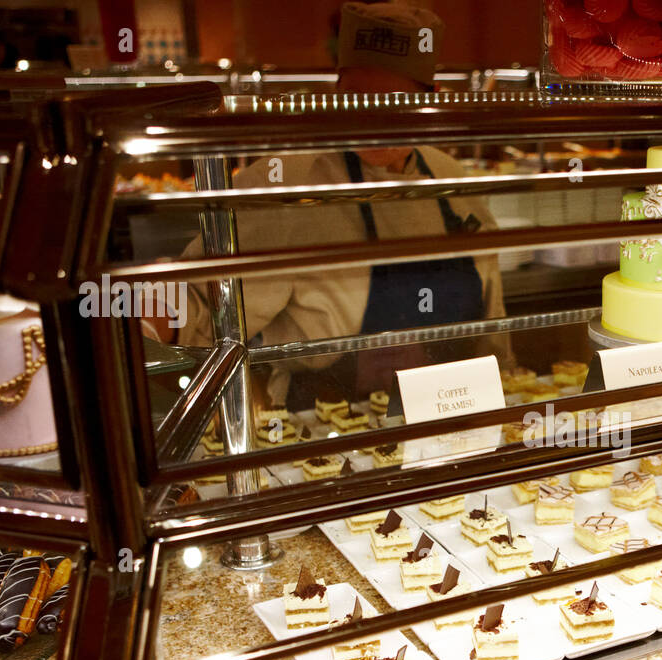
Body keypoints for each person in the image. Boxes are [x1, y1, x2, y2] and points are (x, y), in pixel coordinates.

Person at [167, 1, 505, 405]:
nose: (370, 120)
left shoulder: (451, 180)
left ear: (429, 99)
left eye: (393, 103)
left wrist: (506, 389)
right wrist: (128, 309)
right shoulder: (289, 182)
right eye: (356, 98)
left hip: (455, 415)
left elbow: (492, 326)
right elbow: (200, 302)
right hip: (329, 425)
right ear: (336, 92)